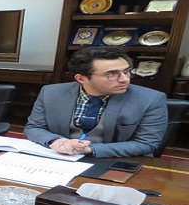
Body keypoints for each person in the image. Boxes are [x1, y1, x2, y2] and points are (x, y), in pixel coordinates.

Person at [24, 47, 167, 158]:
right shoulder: (51, 92)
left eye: (126, 71)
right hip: (61, 158)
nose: (124, 79)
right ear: (81, 78)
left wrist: (89, 149)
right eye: (112, 74)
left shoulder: (151, 99)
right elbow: (34, 127)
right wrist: (57, 142)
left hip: (115, 160)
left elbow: (146, 144)